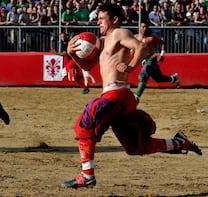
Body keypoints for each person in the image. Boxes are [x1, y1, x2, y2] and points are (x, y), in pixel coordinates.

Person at [62, 4, 202, 189]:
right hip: (117, 98)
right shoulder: (103, 41)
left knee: (85, 123)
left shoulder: (119, 33)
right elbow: (88, 67)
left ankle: (87, 176)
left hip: (117, 94)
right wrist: (72, 54)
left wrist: (130, 66)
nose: (98, 22)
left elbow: (142, 47)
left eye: (101, 18)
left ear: (114, 20)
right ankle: (179, 143)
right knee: (136, 146)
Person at [134, 22, 180, 103]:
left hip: (151, 59)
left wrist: (162, 55)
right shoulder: (136, 38)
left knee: (143, 76)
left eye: (146, 27)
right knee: (158, 78)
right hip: (143, 61)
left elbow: (163, 43)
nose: (145, 28)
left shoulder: (152, 38)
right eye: (143, 27)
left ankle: (136, 96)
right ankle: (173, 78)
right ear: (140, 28)